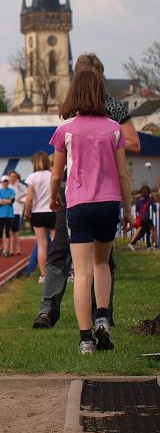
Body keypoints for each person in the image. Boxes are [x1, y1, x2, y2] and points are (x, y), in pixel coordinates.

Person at [33, 53, 140, 330]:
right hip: (99, 195)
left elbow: (134, 143)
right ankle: (70, 312)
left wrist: (99, 144)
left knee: (86, 266)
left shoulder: (107, 110)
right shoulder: (87, 115)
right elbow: (123, 173)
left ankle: (92, 327)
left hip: (82, 194)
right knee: (83, 257)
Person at [49, 69, 134, 354]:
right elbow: (123, 174)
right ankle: (102, 318)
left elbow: (56, 174)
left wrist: (52, 197)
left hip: (79, 204)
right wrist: (128, 210)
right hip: (108, 203)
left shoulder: (65, 129)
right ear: (100, 94)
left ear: (74, 93)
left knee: (82, 272)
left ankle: (85, 339)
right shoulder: (114, 128)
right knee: (102, 264)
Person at [24, 151, 55, 283]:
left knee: (42, 244)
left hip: (37, 212)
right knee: (57, 242)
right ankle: (60, 270)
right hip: (52, 211)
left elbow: (30, 198)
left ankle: (43, 275)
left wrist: (27, 213)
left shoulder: (32, 177)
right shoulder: (52, 174)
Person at [127, 186, 157, 250]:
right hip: (146, 219)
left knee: (149, 231)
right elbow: (154, 208)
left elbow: (137, 209)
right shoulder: (149, 200)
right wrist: (154, 198)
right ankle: (131, 244)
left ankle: (149, 246)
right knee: (142, 233)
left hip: (142, 218)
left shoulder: (139, 200)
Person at [0, 176, 15, 257]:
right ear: (1, 182)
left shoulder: (12, 191)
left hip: (9, 214)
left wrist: (3, 201)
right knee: (0, 232)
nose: (5, 183)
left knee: (7, 232)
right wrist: (6, 200)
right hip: (0, 214)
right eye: (4, 182)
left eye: (6, 181)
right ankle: (0, 248)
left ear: (8, 182)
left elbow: (11, 201)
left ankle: (7, 250)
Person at [8, 171, 26, 256]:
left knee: (16, 232)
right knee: (10, 232)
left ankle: (17, 249)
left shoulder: (19, 186)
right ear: (9, 177)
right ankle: (11, 249)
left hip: (17, 211)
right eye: (11, 176)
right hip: (8, 211)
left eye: (14, 177)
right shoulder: (6, 186)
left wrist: (21, 199)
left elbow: (28, 193)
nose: (13, 178)